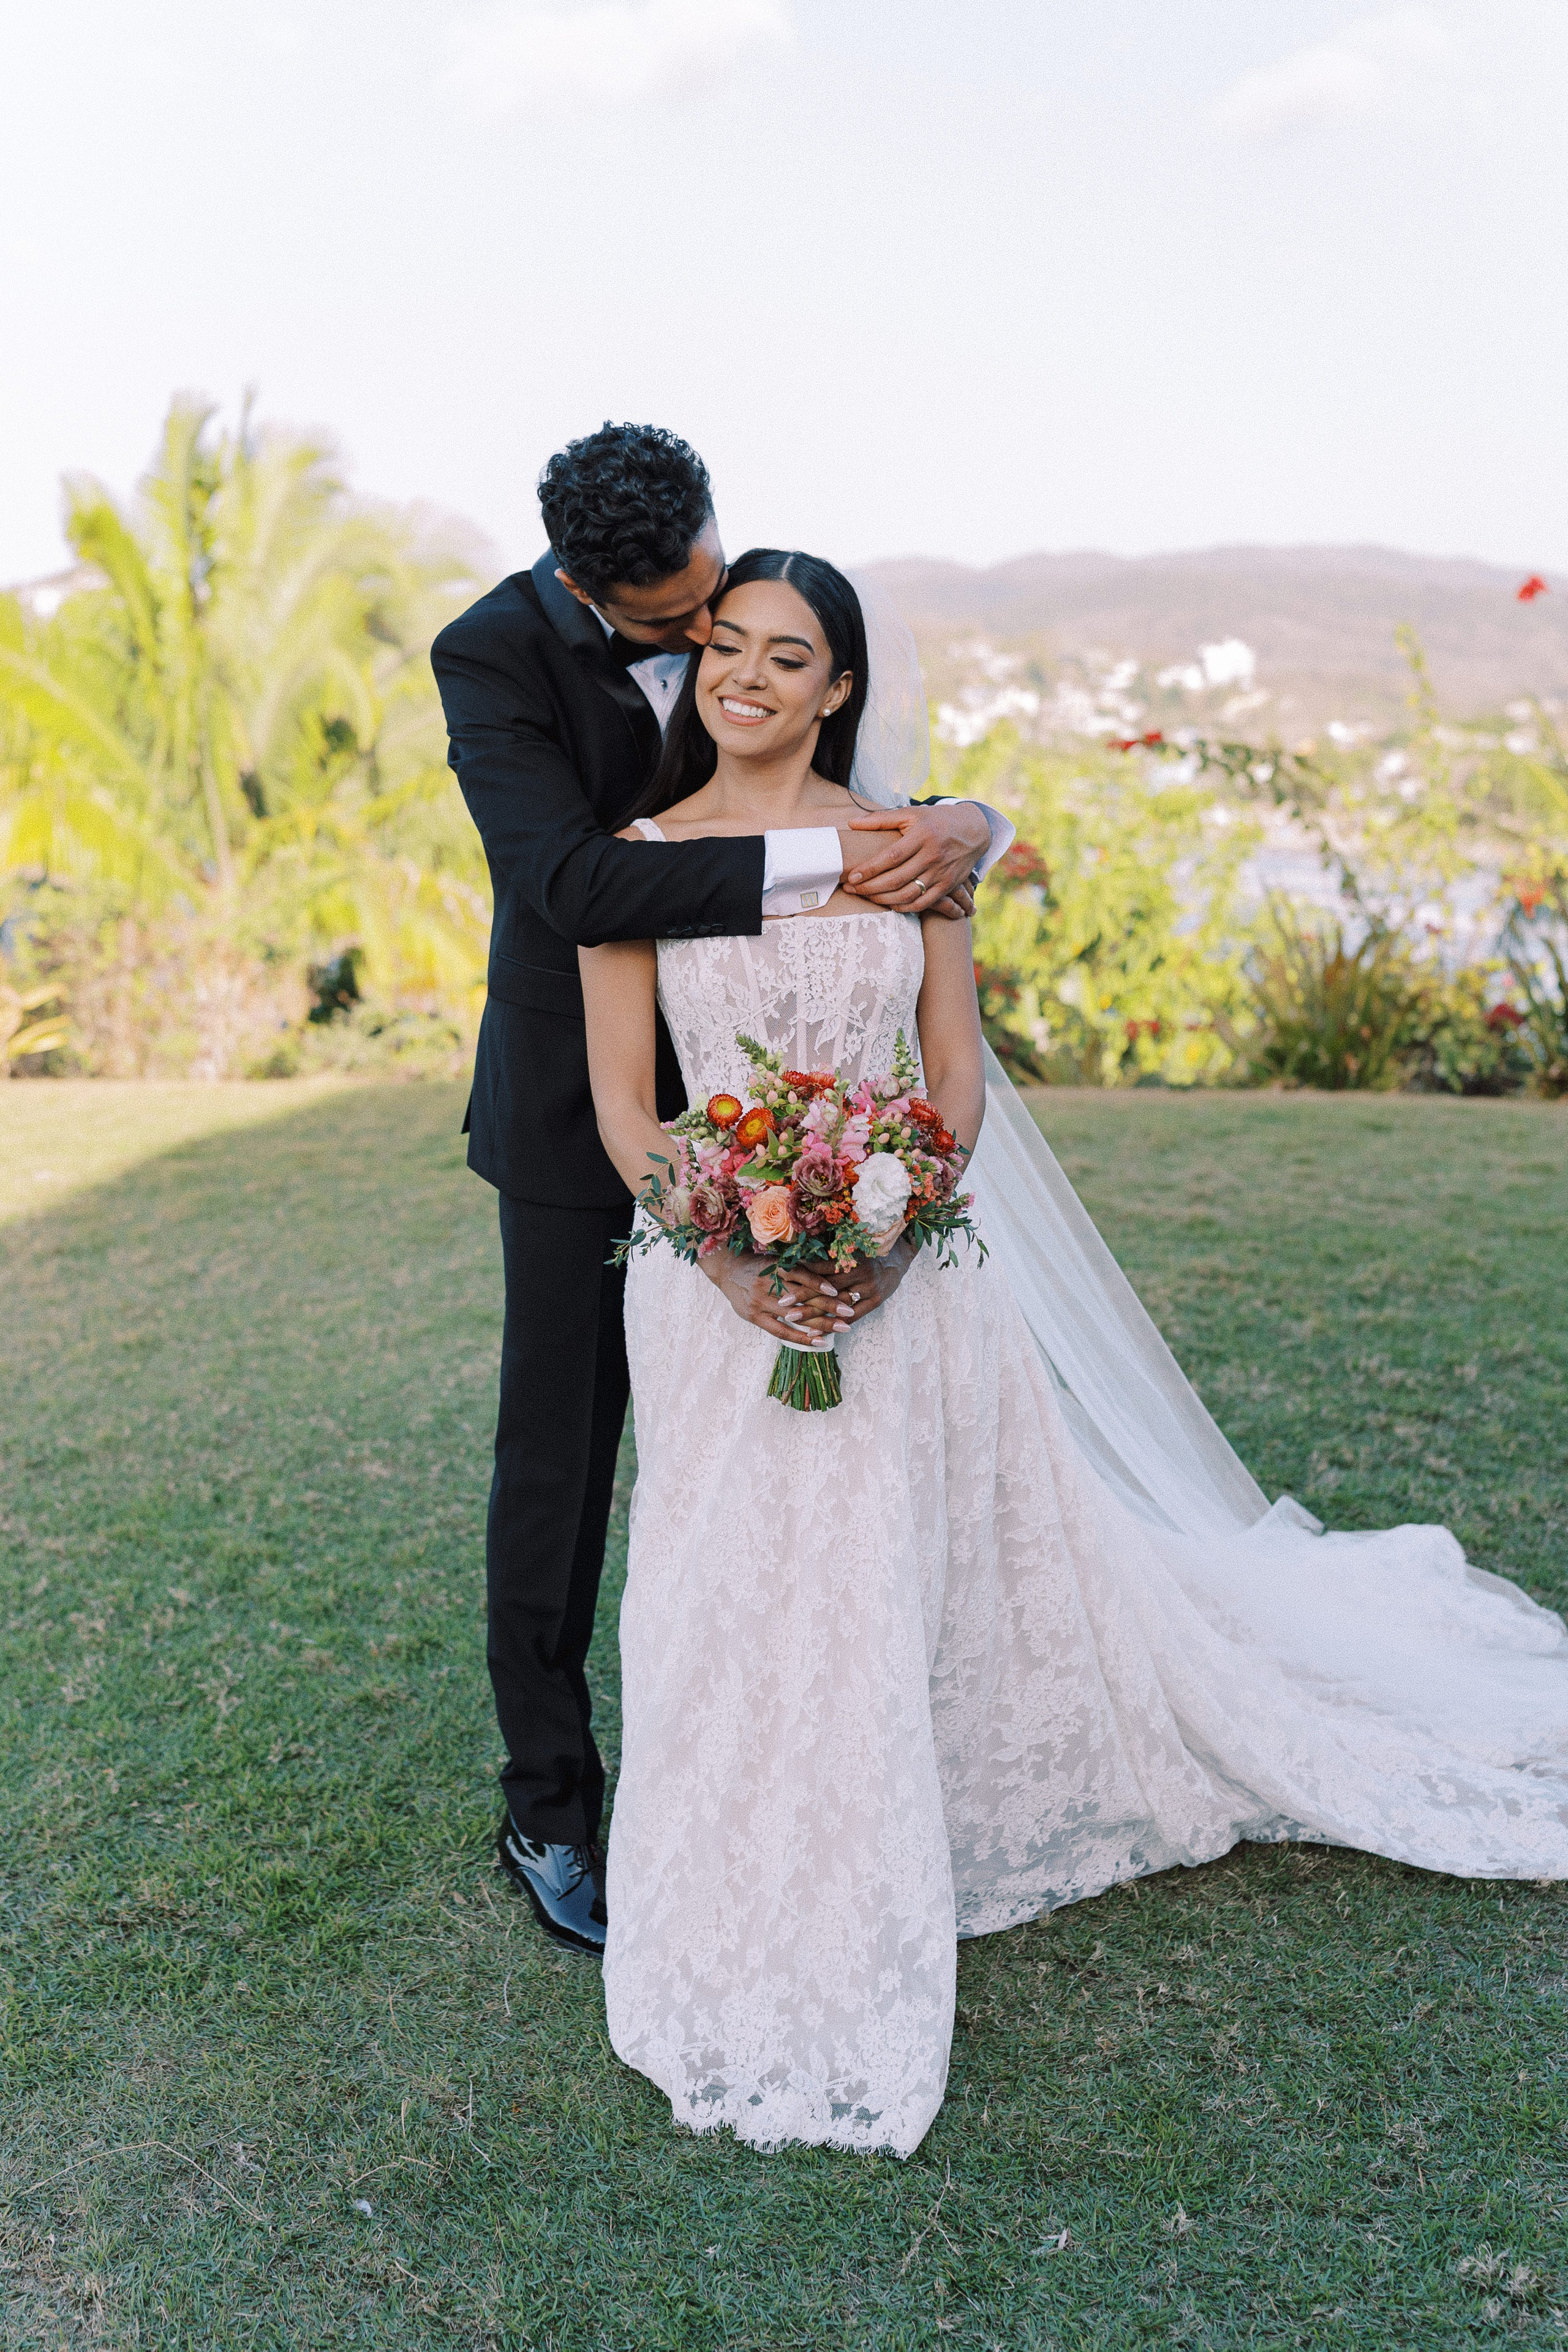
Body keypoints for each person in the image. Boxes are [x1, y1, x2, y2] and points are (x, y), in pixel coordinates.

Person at [579, 548, 1568, 2157]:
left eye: (790, 654)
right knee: (726, 1588)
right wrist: (728, 1254)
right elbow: (633, 1104)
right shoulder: (632, 860)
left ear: (840, 686)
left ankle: (906, 1827)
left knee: (888, 1571)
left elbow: (952, 1071)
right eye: (726, 647)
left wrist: (889, 1230)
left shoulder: (911, 847)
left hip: (906, 1277)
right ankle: (731, 1864)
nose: (747, 678)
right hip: (711, 1288)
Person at [431, 425, 1011, 1957]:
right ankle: (551, 1806)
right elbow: (570, 887)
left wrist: (959, 826)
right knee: (560, 1465)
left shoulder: (737, 618)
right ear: (584, 587)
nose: (711, 647)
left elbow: (861, 752)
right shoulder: (486, 657)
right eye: (681, 624)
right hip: (587, 1105)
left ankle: (843, 1759)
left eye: (721, 601)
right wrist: (828, 863)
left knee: (802, 1477)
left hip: (806, 1079)